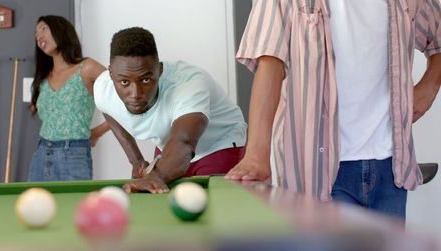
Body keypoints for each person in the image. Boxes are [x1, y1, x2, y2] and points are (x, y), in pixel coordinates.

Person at [226, 0, 441, 219]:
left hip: (391, 171)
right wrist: (256, 155)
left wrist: (430, 86)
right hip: (317, 172)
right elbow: (270, 62)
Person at [94, 27, 247, 193]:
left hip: (219, 144)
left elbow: (184, 141)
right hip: (170, 145)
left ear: (159, 70)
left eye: (145, 79)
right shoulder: (103, 89)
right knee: (160, 202)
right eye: (124, 82)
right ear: (110, 73)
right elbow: (109, 112)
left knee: (215, 210)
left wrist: (157, 176)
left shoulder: (188, 85)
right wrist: (136, 160)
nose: (135, 94)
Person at [29, 15, 110, 181]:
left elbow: (125, 98)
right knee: (36, 206)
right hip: (41, 153)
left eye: (44, 28)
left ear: (61, 31)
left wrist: (97, 133)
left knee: (73, 206)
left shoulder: (87, 67)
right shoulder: (43, 77)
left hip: (74, 154)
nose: (39, 36)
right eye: (36, 33)